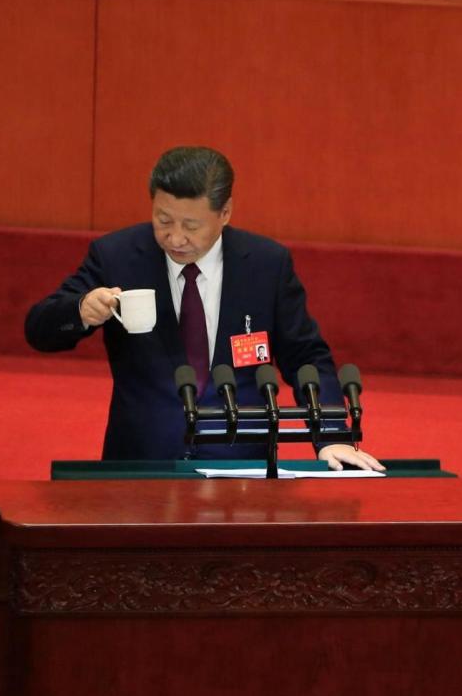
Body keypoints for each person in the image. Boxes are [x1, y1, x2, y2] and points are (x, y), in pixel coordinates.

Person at [25, 146, 382, 471]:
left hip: (240, 469)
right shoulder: (117, 256)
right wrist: (80, 311)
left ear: (225, 213)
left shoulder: (265, 265)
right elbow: (39, 330)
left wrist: (331, 434)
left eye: (191, 225)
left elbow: (306, 357)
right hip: (139, 466)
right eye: (163, 220)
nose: (176, 238)